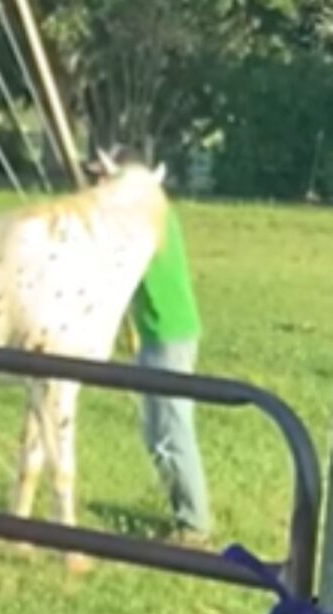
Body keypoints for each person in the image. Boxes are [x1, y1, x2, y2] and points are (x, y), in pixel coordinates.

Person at [85, 145, 212, 547]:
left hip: (168, 333)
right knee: (156, 430)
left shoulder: (147, 216)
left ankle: (195, 526)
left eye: (104, 179)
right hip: (159, 332)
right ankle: (182, 510)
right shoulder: (150, 210)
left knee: (172, 428)